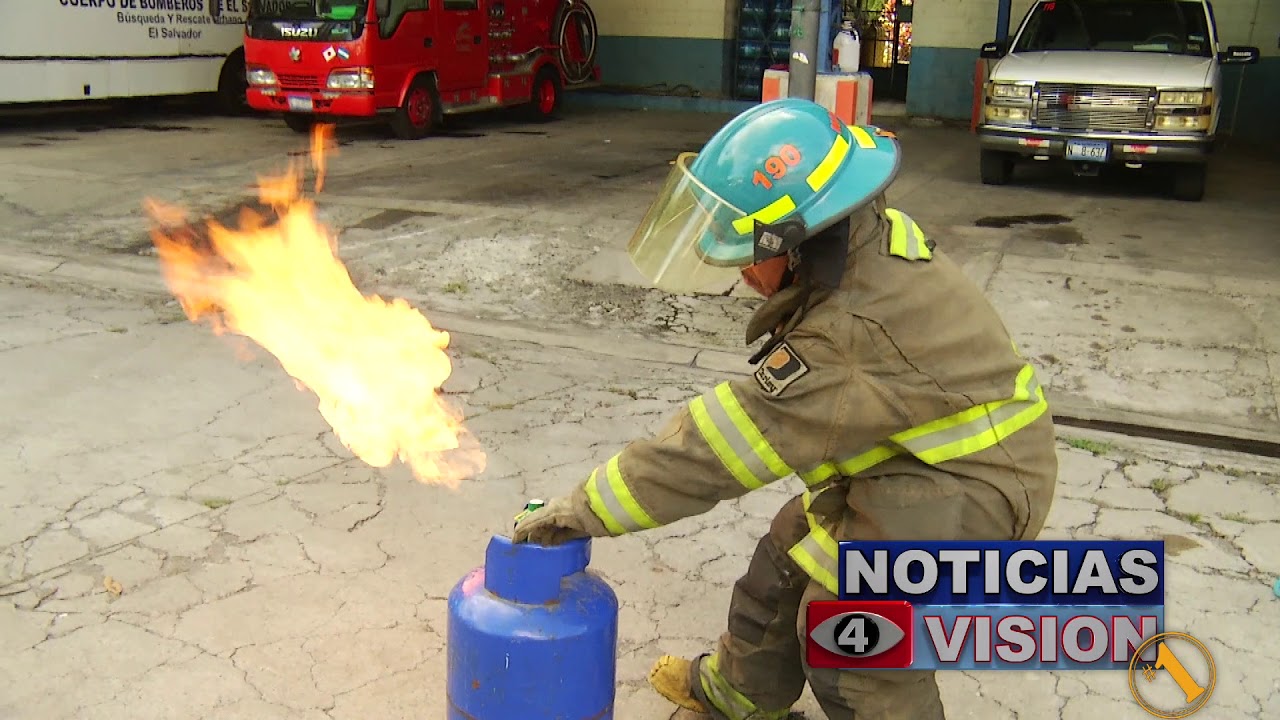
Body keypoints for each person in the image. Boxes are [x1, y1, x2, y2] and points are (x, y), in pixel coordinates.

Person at [512, 98, 1059, 720]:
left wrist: (580, 510)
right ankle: (737, 697)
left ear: (796, 239)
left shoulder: (844, 335)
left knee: (853, 643)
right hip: (930, 468)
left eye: (749, 246)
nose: (740, 267)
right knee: (785, 559)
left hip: (976, 490)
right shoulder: (862, 239)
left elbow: (713, 453)